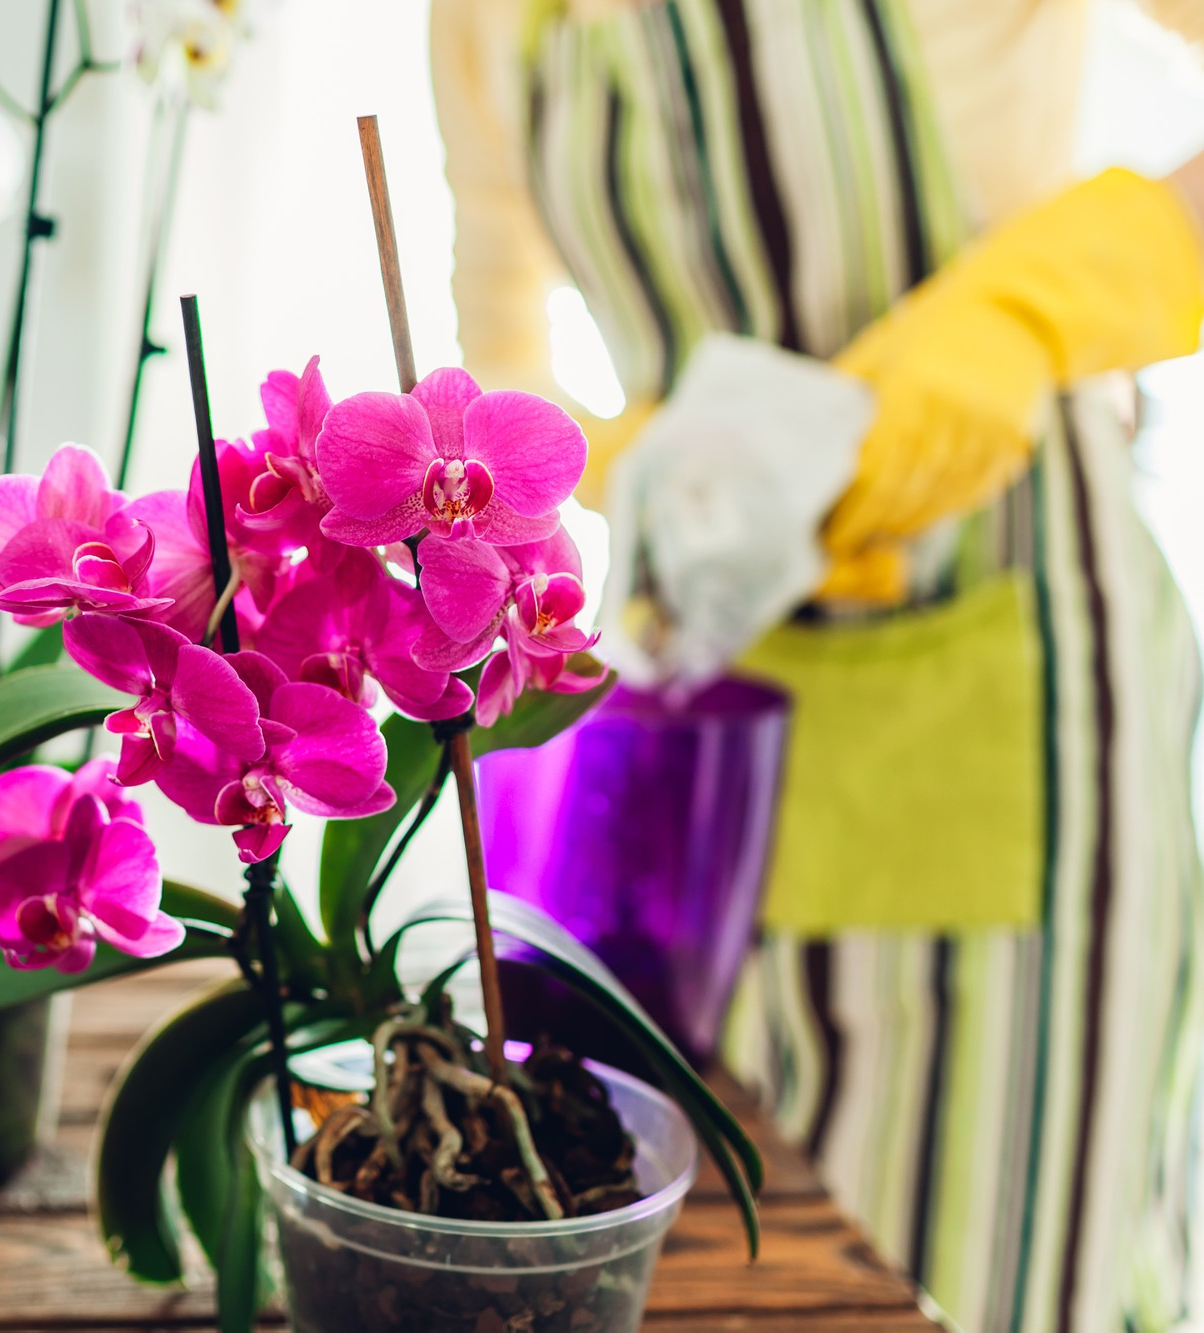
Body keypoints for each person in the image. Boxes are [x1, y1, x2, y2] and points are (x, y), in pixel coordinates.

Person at [431, 2, 1204, 1329]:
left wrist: (1035, 309)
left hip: (1007, 706)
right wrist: (636, 463)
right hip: (682, 746)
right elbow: (497, 344)